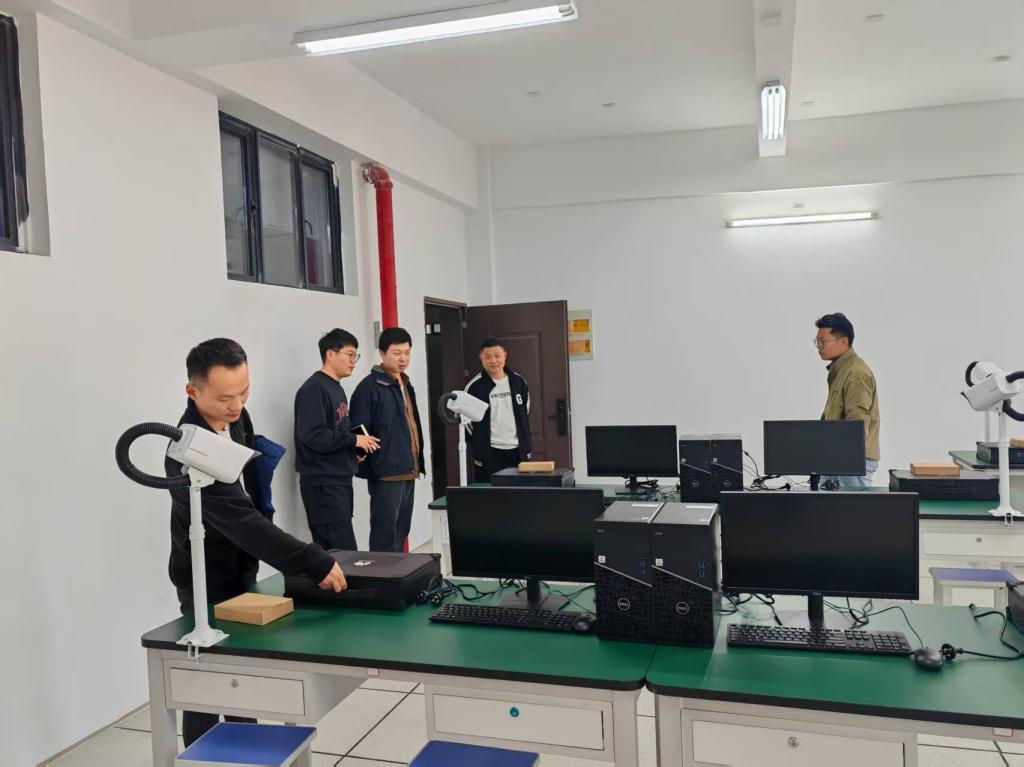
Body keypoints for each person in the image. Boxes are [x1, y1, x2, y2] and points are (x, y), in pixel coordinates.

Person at [166, 338, 347, 746]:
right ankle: (203, 753)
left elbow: (246, 498)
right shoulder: (186, 453)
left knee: (240, 673)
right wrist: (312, 559)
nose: (236, 405)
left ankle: (245, 746)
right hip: (203, 576)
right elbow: (242, 522)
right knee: (206, 681)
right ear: (192, 391)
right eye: (224, 397)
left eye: (244, 392)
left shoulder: (238, 417)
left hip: (240, 567)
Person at [294, 329, 380, 550]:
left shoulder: (336, 388)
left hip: (338, 480)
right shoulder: (315, 389)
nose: (354, 362)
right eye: (350, 355)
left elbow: (336, 432)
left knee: (342, 550)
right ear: (330, 354)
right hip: (323, 483)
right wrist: (353, 441)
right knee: (340, 551)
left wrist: (352, 452)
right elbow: (312, 435)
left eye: (356, 356)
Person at [349, 327, 425, 552]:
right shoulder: (369, 387)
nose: (403, 359)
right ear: (382, 354)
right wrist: (364, 458)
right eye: (397, 353)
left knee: (401, 530)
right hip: (386, 471)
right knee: (385, 534)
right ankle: (381, 573)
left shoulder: (405, 383)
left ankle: (398, 572)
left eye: (407, 353)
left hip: (409, 468)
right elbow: (359, 429)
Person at [814, 313, 881, 489]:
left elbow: (857, 425)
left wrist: (845, 464)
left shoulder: (856, 373)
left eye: (822, 341)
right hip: (839, 460)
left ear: (843, 341)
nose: (818, 347)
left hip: (851, 463)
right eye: (817, 342)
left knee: (847, 506)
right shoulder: (841, 370)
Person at [465, 337, 532, 482]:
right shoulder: (474, 387)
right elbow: (468, 422)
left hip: (518, 450)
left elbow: (525, 411)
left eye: (497, 356)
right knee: (490, 493)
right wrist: (480, 441)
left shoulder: (518, 382)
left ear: (505, 355)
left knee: (519, 491)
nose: (493, 361)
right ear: (481, 358)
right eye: (488, 357)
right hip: (490, 452)